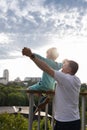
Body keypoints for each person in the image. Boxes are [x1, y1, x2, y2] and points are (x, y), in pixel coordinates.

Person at [22, 47, 81, 130]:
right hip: (72, 119)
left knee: (31, 89)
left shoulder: (65, 78)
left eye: (65, 65)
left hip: (66, 123)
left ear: (69, 70)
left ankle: (42, 98)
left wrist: (31, 55)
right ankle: (44, 97)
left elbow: (46, 68)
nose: (62, 66)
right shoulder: (76, 80)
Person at [22, 47, 62, 113]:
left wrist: (30, 54)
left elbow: (38, 57)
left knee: (28, 90)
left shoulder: (46, 61)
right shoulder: (57, 65)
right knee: (40, 91)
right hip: (51, 87)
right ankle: (44, 97)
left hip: (44, 84)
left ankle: (33, 106)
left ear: (49, 55)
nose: (46, 55)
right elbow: (63, 64)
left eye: (47, 53)